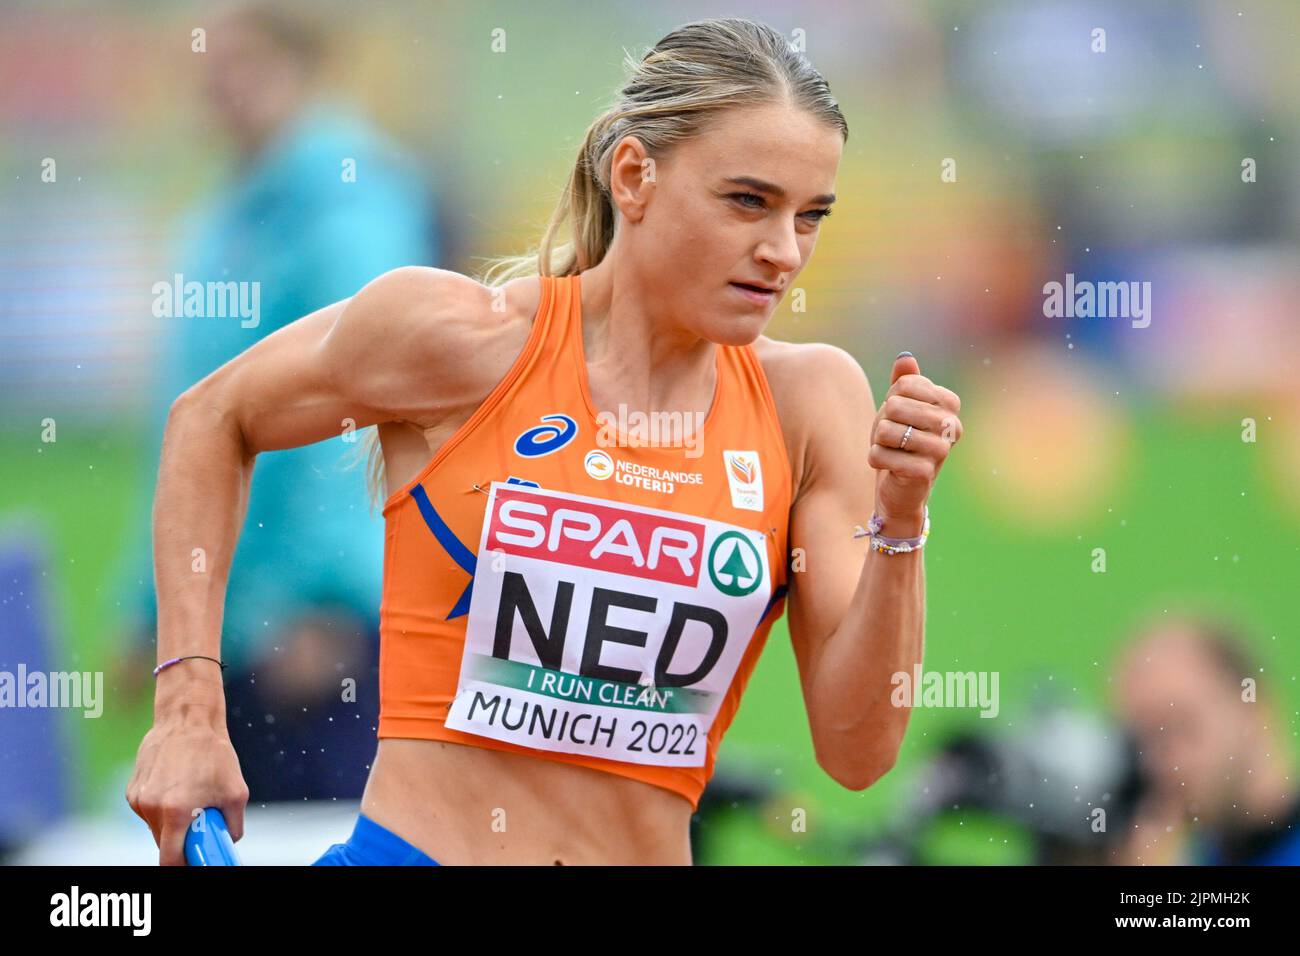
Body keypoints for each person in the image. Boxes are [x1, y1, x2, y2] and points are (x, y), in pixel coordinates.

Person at [126, 17, 964, 866]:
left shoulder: (809, 402)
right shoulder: (462, 343)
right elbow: (211, 417)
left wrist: (900, 521)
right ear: (634, 176)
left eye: (810, 215)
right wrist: (189, 708)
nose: (783, 252)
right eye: (748, 201)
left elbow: (858, 754)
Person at [114, 1, 439, 802]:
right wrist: (147, 601)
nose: (219, 86)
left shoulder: (348, 200)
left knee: (312, 834)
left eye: (242, 62)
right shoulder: (227, 212)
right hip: (226, 618)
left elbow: (362, 399)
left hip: (309, 629)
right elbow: (186, 417)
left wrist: (328, 599)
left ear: (302, 63)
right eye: (208, 65)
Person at [1113, 614, 1300, 865]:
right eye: (1142, 741)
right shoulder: (1188, 852)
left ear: (1255, 707)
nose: (1162, 763)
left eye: (1182, 727)